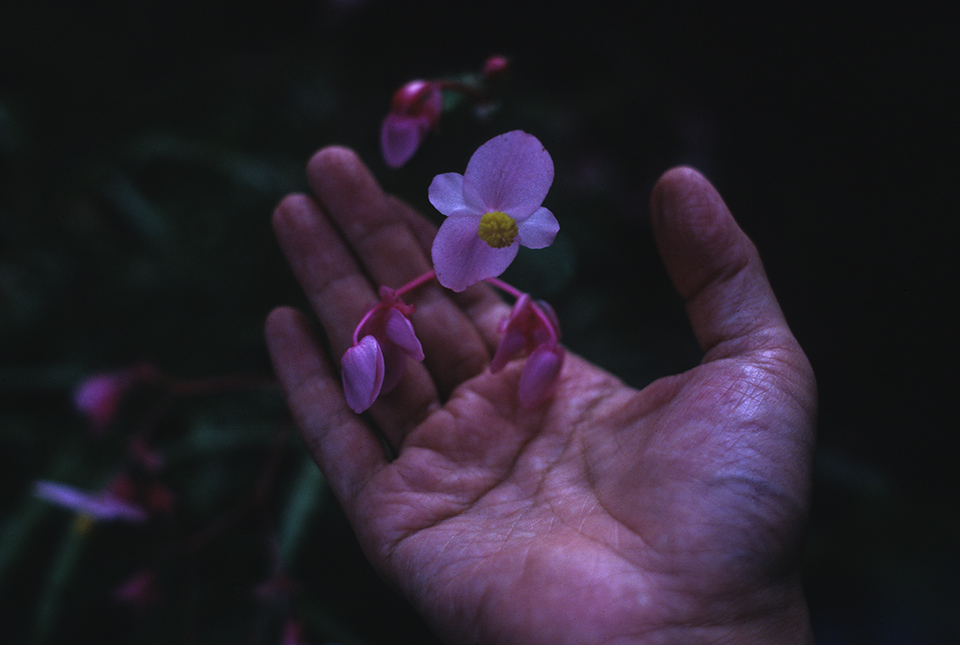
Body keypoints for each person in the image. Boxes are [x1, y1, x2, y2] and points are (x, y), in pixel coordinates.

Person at [264, 146, 817, 644]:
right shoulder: (485, 225)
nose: (503, 231)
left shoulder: (520, 228)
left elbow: (499, 242)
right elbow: (460, 254)